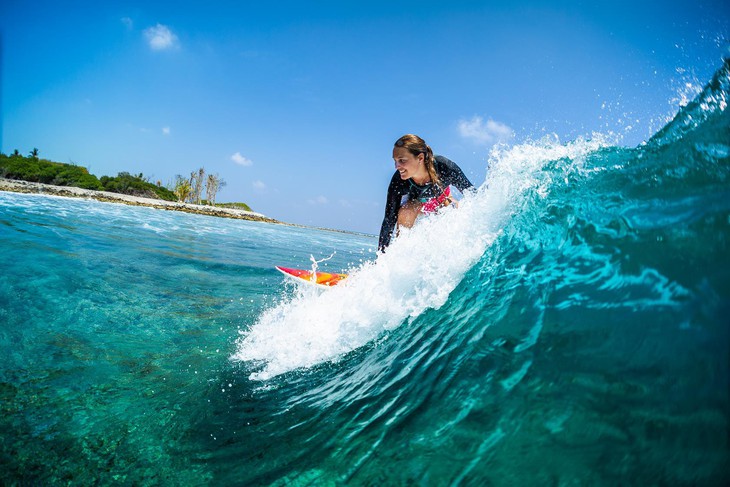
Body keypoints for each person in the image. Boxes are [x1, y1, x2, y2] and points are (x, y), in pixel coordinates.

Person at [378, 134, 474, 251]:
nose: (396, 166)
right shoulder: (399, 181)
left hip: (442, 198)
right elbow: (389, 220)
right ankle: (403, 253)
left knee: (454, 210)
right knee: (406, 213)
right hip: (416, 202)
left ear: (420, 158)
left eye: (402, 160)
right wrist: (381, 260)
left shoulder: (444, 167)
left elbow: (472, 194)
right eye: (395, 161)